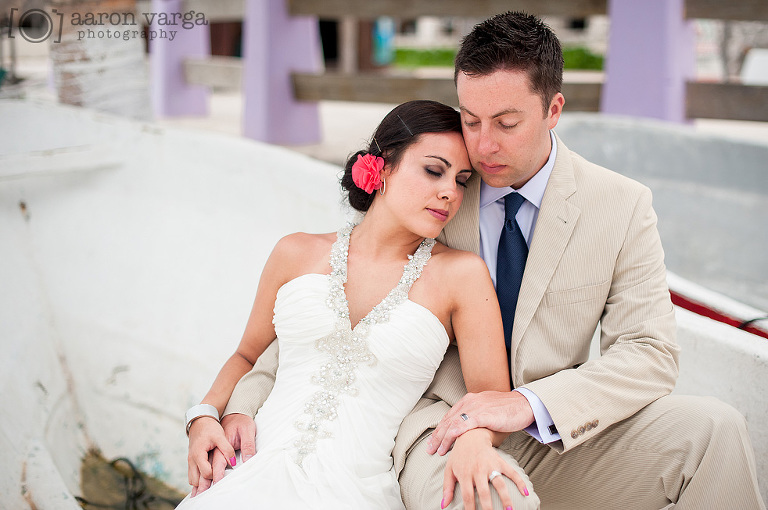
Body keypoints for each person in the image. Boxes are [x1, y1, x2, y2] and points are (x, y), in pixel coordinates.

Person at [194, 12, 766, 510]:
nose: (482, 144)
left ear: (554, 109)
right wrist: (230, 410)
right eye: (470, 119)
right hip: (432, 432)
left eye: (507, 123)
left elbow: (650, 353)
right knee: (485, 497)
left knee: (715, 430)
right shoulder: (436, 193)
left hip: (556, 427)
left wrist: (526, 405)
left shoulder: (620, 205)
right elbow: (317, 321)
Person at [179, 100, 531, 509]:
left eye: (463, 180)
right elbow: (246, 355)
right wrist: (203, 416)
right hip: (248, 470)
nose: (449, 192)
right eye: (434, 171)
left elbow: (491, 398)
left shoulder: (461, 276)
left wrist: (475, 441)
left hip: (355, 488)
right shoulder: (295, 252)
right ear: (380, 168)